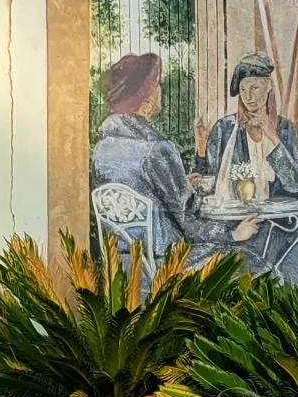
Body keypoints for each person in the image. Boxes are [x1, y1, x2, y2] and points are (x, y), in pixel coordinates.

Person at [193, 52, 298, 282]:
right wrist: (201, 152)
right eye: (244, 90)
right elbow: (209, 179)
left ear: (268, 88)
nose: (249, 96)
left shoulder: (284, 129)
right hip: (234, 220)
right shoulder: (225, 129)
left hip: (278, 222)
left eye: (255, 88)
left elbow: (295, 182)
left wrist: (272, 137)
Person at [90, 53, 226, 265]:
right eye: (158, 84)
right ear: (148, 95)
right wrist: (232, 233)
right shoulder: (157, 149)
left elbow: (142, 193)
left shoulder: (102, 149)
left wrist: (185, 180)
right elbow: (188, 217)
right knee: (249, 259)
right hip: (168, 261)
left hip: (123, 261)